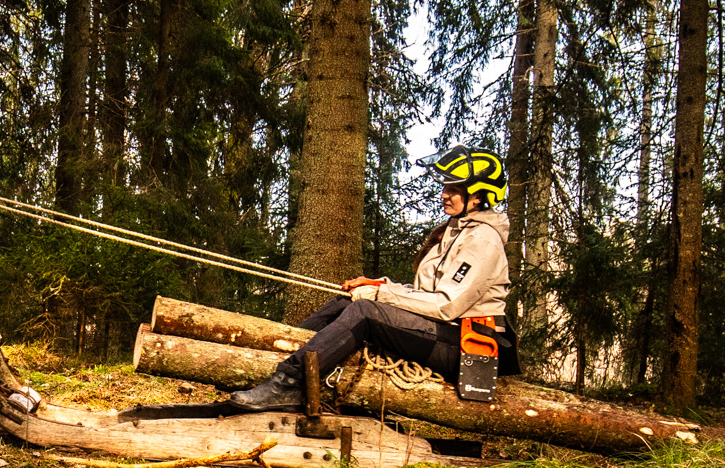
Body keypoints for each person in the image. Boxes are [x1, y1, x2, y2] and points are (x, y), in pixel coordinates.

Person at [219, 148, 519, 412]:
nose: (444, 194)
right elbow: (424, 293)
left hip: (466, 345)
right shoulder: (457, 230)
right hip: (443, 332)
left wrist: (380, 296)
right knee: (346, 302)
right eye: (445, 187)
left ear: (478, 196)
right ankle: (279, 360)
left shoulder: (483, 240)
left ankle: (287, 384)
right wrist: (378, 285)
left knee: (365, 311)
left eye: (453, 189)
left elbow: (445, 306)